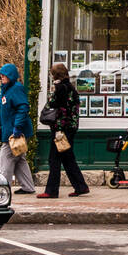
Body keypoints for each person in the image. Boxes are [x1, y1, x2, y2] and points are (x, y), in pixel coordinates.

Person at [37, 63, 89, 199]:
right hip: (70, 128)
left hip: (61, 129)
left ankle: (51, 190)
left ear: (55, 75)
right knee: (67, 158)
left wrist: (59, 128)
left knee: (54, 159)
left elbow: (56, 106)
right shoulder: (71, 88)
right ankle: (80, 186)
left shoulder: (61, 88)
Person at [0, 63, 36, 194]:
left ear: (11, 76)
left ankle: (2, 189)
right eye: (1, 75)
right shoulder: (7, 89)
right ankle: (28, 187)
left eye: (4, 75)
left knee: (6, 158)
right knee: (19, 160)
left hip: (14, 133)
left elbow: (23, 108)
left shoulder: (16, 88)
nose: (1, 77)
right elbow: (5, 110)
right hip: (12, 130)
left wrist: (17, 127)